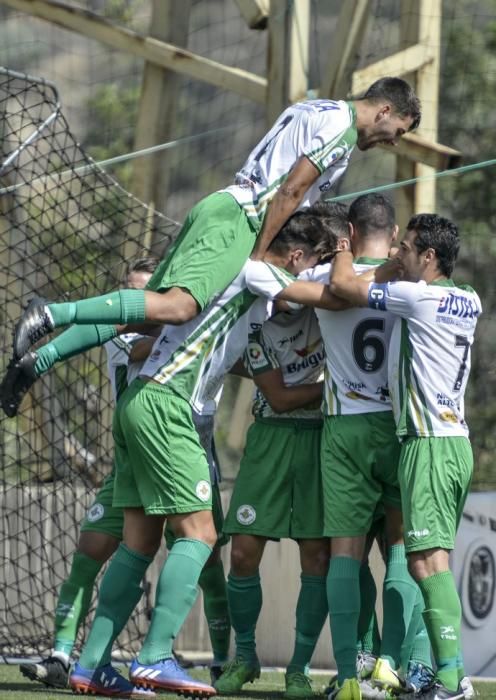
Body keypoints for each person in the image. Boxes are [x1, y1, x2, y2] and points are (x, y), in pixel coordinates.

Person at [67, 211, 340, 698]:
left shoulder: (221, 267)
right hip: (171, 404)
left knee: (139, 541)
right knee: (201, 533)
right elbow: (330, 293)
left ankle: (90, 663)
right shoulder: (257, 271)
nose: (307, 271)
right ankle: (154, 657)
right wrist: (350, 259)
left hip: (138, 401)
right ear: (296, 257)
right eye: (310, 261)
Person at [11, 77, 421, 363]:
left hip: (224, 207)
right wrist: (259, 255)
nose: (393, 141)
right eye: (398, 131)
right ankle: (51, 314)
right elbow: (291, 190)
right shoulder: (343, 129)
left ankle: (41, 359)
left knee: (147, 314)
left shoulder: (317, 108)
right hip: (239, 221)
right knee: (177, 307)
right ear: (384, 110)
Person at [15, 259, 231, 691]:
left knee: (204, 559)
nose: (138, 306)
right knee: (94, 549)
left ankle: (226, 659)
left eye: (145, 296)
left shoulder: (185, 320)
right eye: (131, 295)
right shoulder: (129, 329)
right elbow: (138, 343)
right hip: (137, 450)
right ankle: (66, 653)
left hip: (188, 448)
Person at [329, 213, 481, 700]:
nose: (399, 253)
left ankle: (454, 680)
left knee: (428, 562)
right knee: (426, 561)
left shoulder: (419, 297)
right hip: (456, 442)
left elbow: (345, 287)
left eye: (407, 247)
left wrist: (342, 245)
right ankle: (447, 674)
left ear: (428, 258)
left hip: (428, 443)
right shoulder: (469, 299)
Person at [215, 204, 350, 699]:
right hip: (270, 439)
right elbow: (279, 396)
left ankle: (298, 669)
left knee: (315, 555)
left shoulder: (327, 306)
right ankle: (244, 657)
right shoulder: (254, 321)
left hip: (318, 441)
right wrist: (336, 385)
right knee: (245, 550)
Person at [298, 194, 424, 700]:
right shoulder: (413, 282)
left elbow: (280, 299)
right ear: (395, 237)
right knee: (401, 548)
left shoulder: (329, 278)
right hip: (400, 425)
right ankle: (392, 664)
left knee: (345, 553)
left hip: (345, 428)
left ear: (349, 230)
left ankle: (349, 673)